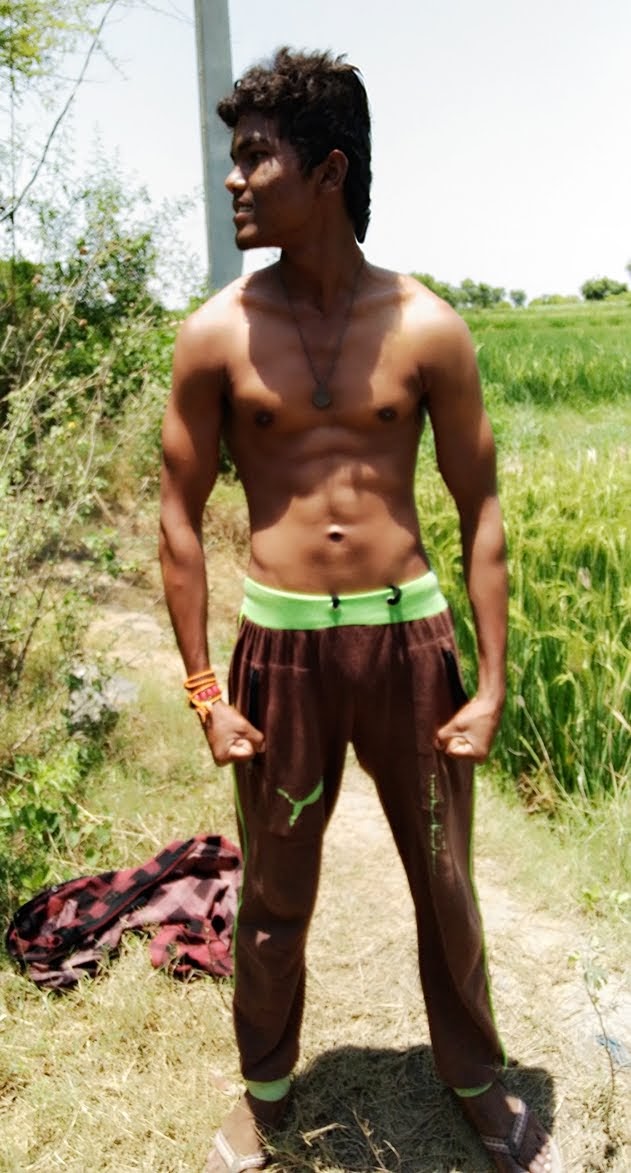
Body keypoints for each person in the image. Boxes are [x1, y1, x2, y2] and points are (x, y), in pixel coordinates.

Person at [159, 47, 562, 1173]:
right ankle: (268, 1091)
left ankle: (474, 1078)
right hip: (280, 655)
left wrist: (490, 684)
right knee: (274, 894)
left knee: (446, 882)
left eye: (255, 158)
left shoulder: (426, 326)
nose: (233, 180)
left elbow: (480, 507)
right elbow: (178, 521)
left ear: (328, 171)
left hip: (408, 646)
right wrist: (205, 692)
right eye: (233, 158)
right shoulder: (216, 334)